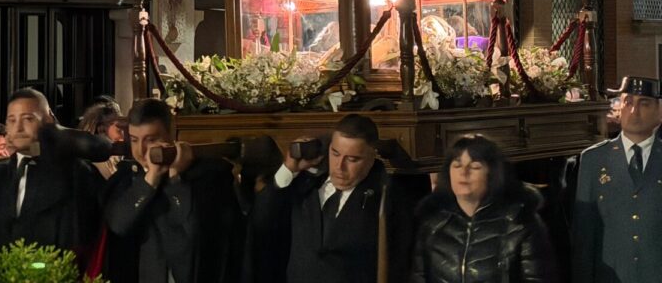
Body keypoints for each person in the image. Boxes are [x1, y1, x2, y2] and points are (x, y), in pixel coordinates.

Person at [249, 114, 413, 283]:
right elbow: (262, 221)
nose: (340, 166)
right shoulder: (305, 185)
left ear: (372, 157)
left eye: (352, 159)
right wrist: (289, 169)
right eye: (335, 153)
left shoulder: (386, 197)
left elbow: (401, 264)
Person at [0, 88, 105, 267]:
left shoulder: (78, 175)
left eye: (28, 119)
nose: (19, 128)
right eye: (12, 120)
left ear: (49, 121)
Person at [102, 98, 240, 283]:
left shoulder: (209, 174)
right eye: (135, 140)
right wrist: (150, 180)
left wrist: (175, 179)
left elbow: (196, 235)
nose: (141, 151)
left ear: (171, 134)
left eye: (151, 139)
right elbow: (118, 225)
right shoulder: (127, 177)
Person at [410, 134, 556, 283]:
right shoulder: (433, 222)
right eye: (457, 165)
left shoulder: (520, 222)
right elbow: (418, 277)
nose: (463, 173)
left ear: (492, 174)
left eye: (474, 166)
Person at [572, 76, 662, 283]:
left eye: (644, 103)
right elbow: (584, 237)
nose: (634, 111)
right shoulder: (593, 160)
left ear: (659, 111)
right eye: (628, 102)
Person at [78, 101, 125, 179]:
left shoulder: (114, 158)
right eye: (119, 130)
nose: (123, 136)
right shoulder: (98, 162)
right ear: (101, 130)